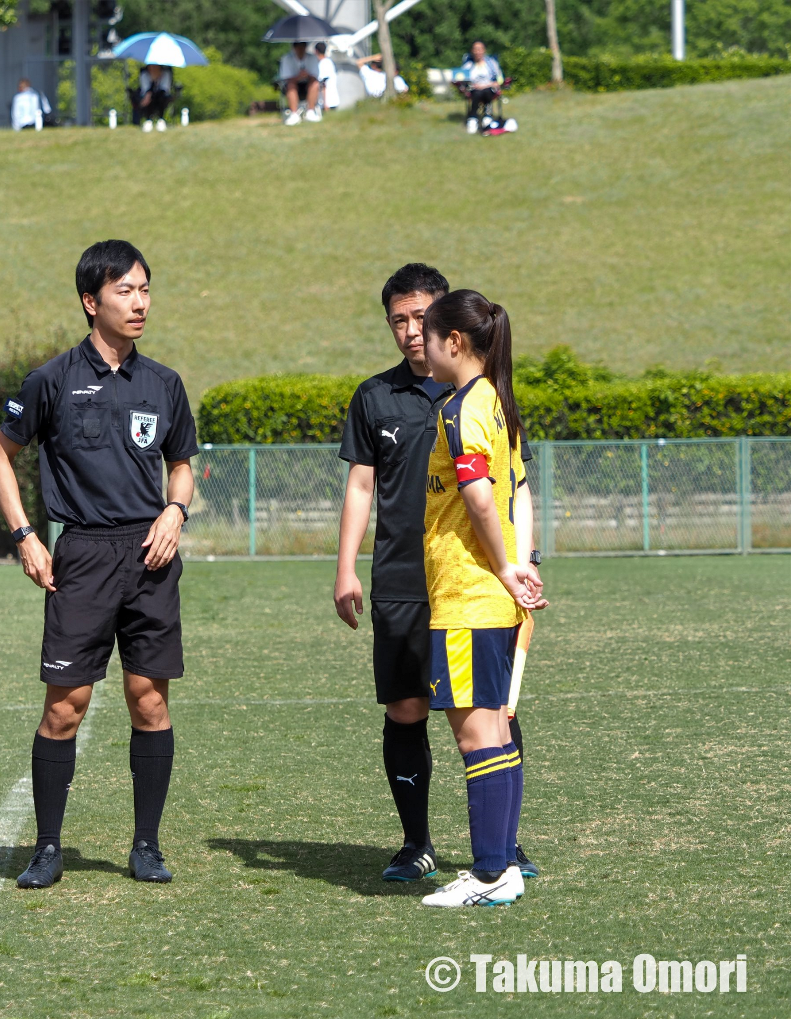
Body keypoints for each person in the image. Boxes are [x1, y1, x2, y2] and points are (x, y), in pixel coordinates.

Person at [0, 239, 197, 889]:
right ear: (91, 301)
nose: (140, 302)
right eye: (125, 291)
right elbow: (0, 455)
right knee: (66, 706)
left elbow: (182, 465)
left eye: (145, 289)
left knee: (148, 701)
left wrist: (174, 512)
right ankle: (48, 847)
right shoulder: (50, 380)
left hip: (150, 553)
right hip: (80, 553)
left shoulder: (163, 382)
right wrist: (25, 534)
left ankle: (146, 845)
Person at [334, 264, 540, 885]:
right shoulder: (375, 396)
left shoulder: (481, 397)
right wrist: (345, 567)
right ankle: (416, 843)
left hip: (474, 581)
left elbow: (513, 485)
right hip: (402, 578)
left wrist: (520, 560)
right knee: (406, 708)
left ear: (450, 322)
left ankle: (503, 850)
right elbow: (361, 485)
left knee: (492, 712)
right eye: (398, 319)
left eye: (422, 317)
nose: (410, 331)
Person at [416, 290, 547, 908]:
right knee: (496, 730)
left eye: (428, 331)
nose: (420, 341)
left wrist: (502, 567)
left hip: (469, 598)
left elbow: (479, 496)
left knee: (477, 739)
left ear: (455, 342)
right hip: (492, 598)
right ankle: (505, 868)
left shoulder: (463, 407)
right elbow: (520, 488)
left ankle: (490, 874)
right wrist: (522, 565)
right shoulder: (498, 401)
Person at [460, 41, 503, 130]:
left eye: (480, 49)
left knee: (486, 91)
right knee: (477, 92)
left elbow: (500, 78)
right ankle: (473, 118)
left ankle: (487, 116)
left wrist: (493, 84)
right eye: (475, 49)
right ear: (472, 51)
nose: (477, 52)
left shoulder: (491, 63)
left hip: (489, 88)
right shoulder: (468, 65)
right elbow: (462, 79)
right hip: (474, 89)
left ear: (484, 50)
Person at [278, 41, 322, 125]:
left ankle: (311, 111)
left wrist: (306, 75)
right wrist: (299, 77)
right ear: (294, 48)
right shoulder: (286, 59)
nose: (300, 50)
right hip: (293, 86)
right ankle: (294, 114)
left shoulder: (312, 58)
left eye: (302, 47)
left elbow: (315, 76)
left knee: (315, 84)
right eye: (298, 48)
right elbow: (286, 78)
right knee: (291, 85)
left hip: (308, 86)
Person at [133, 64, 174, 132]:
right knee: (147, 98)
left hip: (161, 97)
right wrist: (152, 82)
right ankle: (148, 120)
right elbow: (145, 90)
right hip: (147, 97)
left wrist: (157, 79)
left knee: (161, 97)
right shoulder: (144, 74)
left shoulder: (166, 73)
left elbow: (165, 89)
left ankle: (161, 119)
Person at [314, 42, 340, 110]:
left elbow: (323, 84)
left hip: (327, 103)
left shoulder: (323, 64)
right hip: (333, 100)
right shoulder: (329, 62)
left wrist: (325, 103)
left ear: (316, 51)